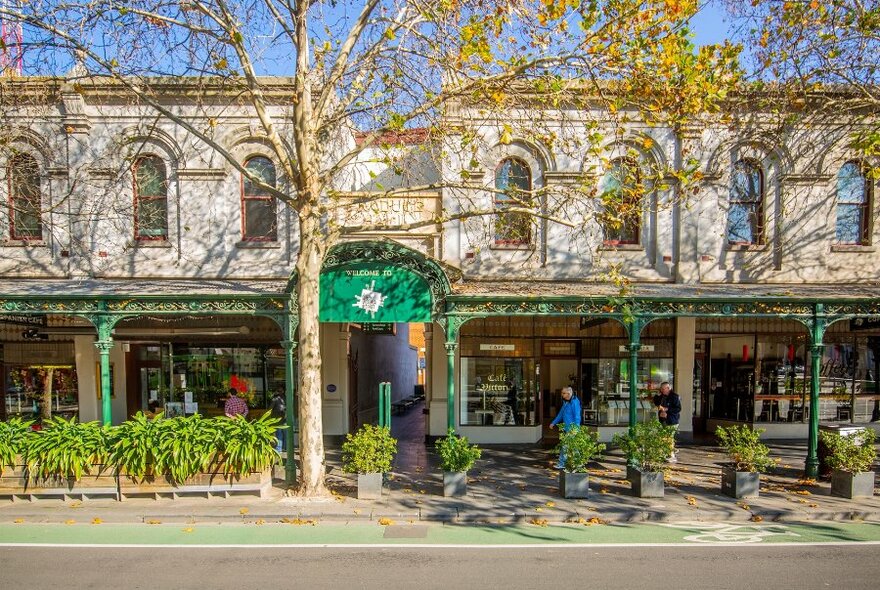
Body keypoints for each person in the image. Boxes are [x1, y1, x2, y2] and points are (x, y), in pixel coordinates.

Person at [549, 386, 582, 469]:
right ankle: (578, 463)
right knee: (573, 447)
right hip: (567, 428)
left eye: (563, 393)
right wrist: (553, 423)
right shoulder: (565, 402)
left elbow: (577, 416)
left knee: (565, 446)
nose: (562, 394)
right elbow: (561, 414)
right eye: (562, 393)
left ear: (569, 393)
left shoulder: (574, 402)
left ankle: (562, 463)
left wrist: (576, 429)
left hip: (572, 429)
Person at [653, 381, 681, 462]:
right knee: (664, 437)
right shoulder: (661, 396)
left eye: (663, 389)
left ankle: (672, 455)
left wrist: (667, 410)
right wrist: (656, 396)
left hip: (672, 420)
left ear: (669, 388)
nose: (662, 390)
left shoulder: (675, 396)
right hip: (663, 420)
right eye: (661, 389)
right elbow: (657, 403)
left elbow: (678, 409)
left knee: (669, 437)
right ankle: (667, 453)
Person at [269, 389, 287, 455]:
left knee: (279, 434)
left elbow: (270, 409)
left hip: (277, 419)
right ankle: (285, 448)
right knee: (285, 434)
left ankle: (279, 449)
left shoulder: (275, 399)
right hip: (285, 418)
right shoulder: (286, 398)